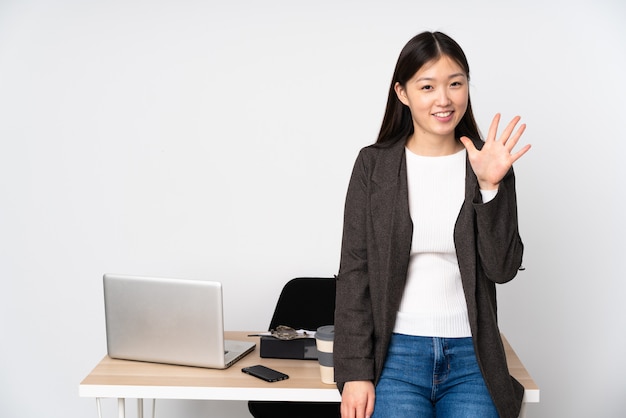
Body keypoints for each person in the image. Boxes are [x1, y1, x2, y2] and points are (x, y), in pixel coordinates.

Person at [333, 31, 531, 418]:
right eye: (427, 86)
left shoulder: (488, 162)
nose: (444, 99)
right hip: (396, 356)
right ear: (403, 93)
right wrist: (356, 371)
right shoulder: (374, 166)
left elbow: (502, 269)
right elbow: (355, 272)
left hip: (472, 358)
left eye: (455, 83)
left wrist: (490, 187)